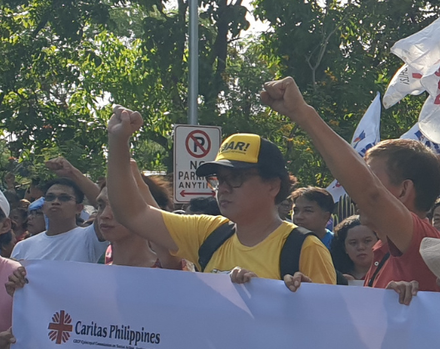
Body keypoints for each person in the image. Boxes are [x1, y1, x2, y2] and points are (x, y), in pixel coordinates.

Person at [103, 108, 336, 285]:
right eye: (218, 179)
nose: (222, 188)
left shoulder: (305, 248)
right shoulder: (208, 233)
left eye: (235, 178)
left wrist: (294, 300)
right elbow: (133, 213)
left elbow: (330, 330)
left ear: (273, 186)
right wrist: (118, 141)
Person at [261, 78, 440, 292]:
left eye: (371, 177)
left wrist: (303, 113)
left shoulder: (426, 244)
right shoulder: (382, 250)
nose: (355, 190)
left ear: (404, 190)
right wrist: (313, 295)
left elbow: (371, 194)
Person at [11, 176, 103, 263]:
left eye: (64, 198)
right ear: (43, 207)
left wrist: (72, 172)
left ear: (79, 208)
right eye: (50, 197)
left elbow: (108, 205)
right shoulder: (23, 247)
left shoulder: (90, 238)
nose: (55, 202)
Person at [331, 216, 378, 285]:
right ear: (344, 248)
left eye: (367, 241)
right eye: (353, 243)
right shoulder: (333, 276)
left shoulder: (390, 273)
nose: (360, 247)